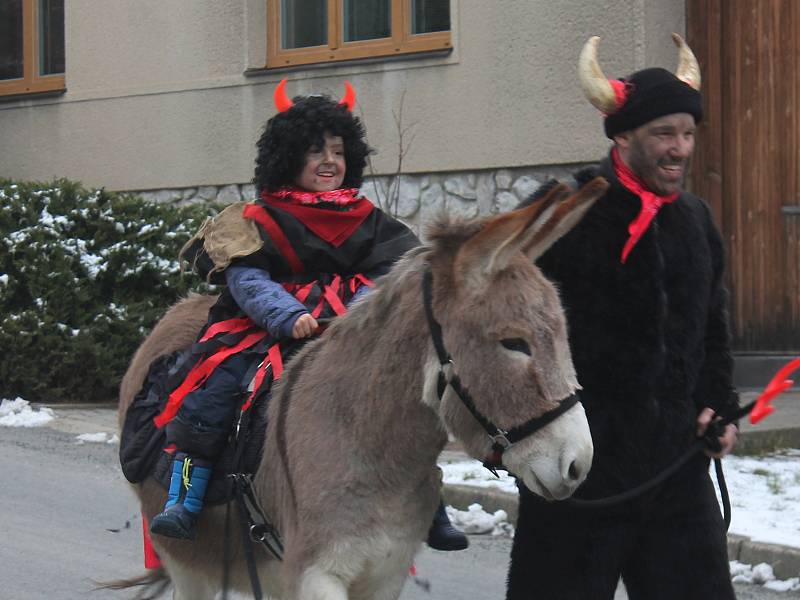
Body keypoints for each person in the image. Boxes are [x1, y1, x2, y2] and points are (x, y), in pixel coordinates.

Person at [148, 79, 469, 551]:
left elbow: (395, 277)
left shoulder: (370, 220)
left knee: (406, 404)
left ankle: (429, 505)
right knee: (212, 393)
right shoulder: (254, 219)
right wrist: (288, 315)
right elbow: (248, 280)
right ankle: (185, 499)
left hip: (352, 333)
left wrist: (355, 321)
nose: (329, 162)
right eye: (315, 151)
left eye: (338, 152)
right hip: (262, 331)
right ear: (287, 157)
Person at [505, 35, 739, 599]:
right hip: (580, 475)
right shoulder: (561, 212)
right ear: (624, 135)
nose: (680, 148)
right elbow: (501, 325)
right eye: (664, 134)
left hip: (676, 472)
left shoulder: (695, 220)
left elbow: (711, 328)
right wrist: (510, 428)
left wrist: (720, 405)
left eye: (687, 133)